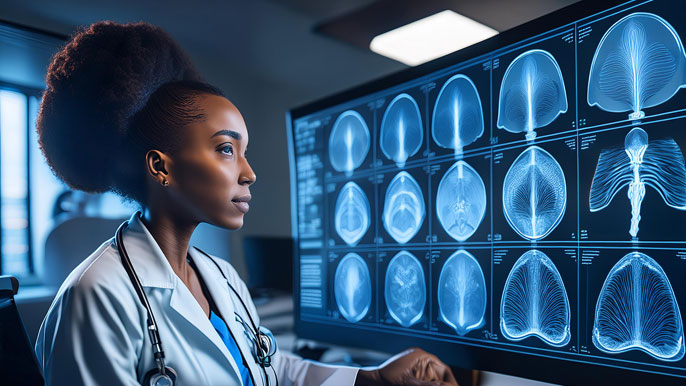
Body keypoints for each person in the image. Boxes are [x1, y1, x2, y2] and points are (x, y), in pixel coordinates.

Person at [33, 21, 459, 386]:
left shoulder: (222, 277)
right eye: (225, 149)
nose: (249, 173)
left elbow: (267, 366)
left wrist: (371, 376)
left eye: (244, 151)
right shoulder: (96, 297)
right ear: (161, 167)